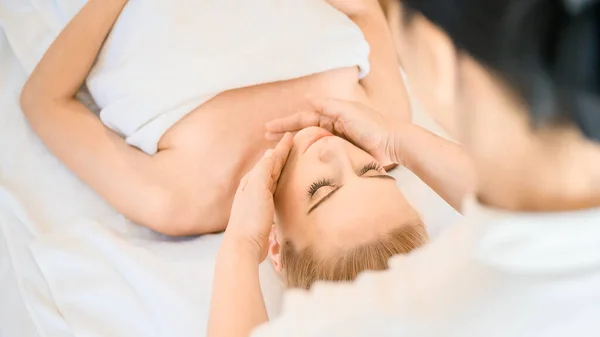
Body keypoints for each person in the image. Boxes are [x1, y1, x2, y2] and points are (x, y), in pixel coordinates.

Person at [208, 0, 600, 336]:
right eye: (373, 171)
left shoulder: (360, 322)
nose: (336, 154)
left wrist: (242, 247)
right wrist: (397, 139)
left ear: (438, 57)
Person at [19, 0, 471, 289]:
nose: (337, 151)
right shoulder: (385, 127)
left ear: (275, 244)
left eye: (322, 190)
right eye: (371, 172)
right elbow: (366, 11)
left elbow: (44, 101)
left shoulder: (180, 198)